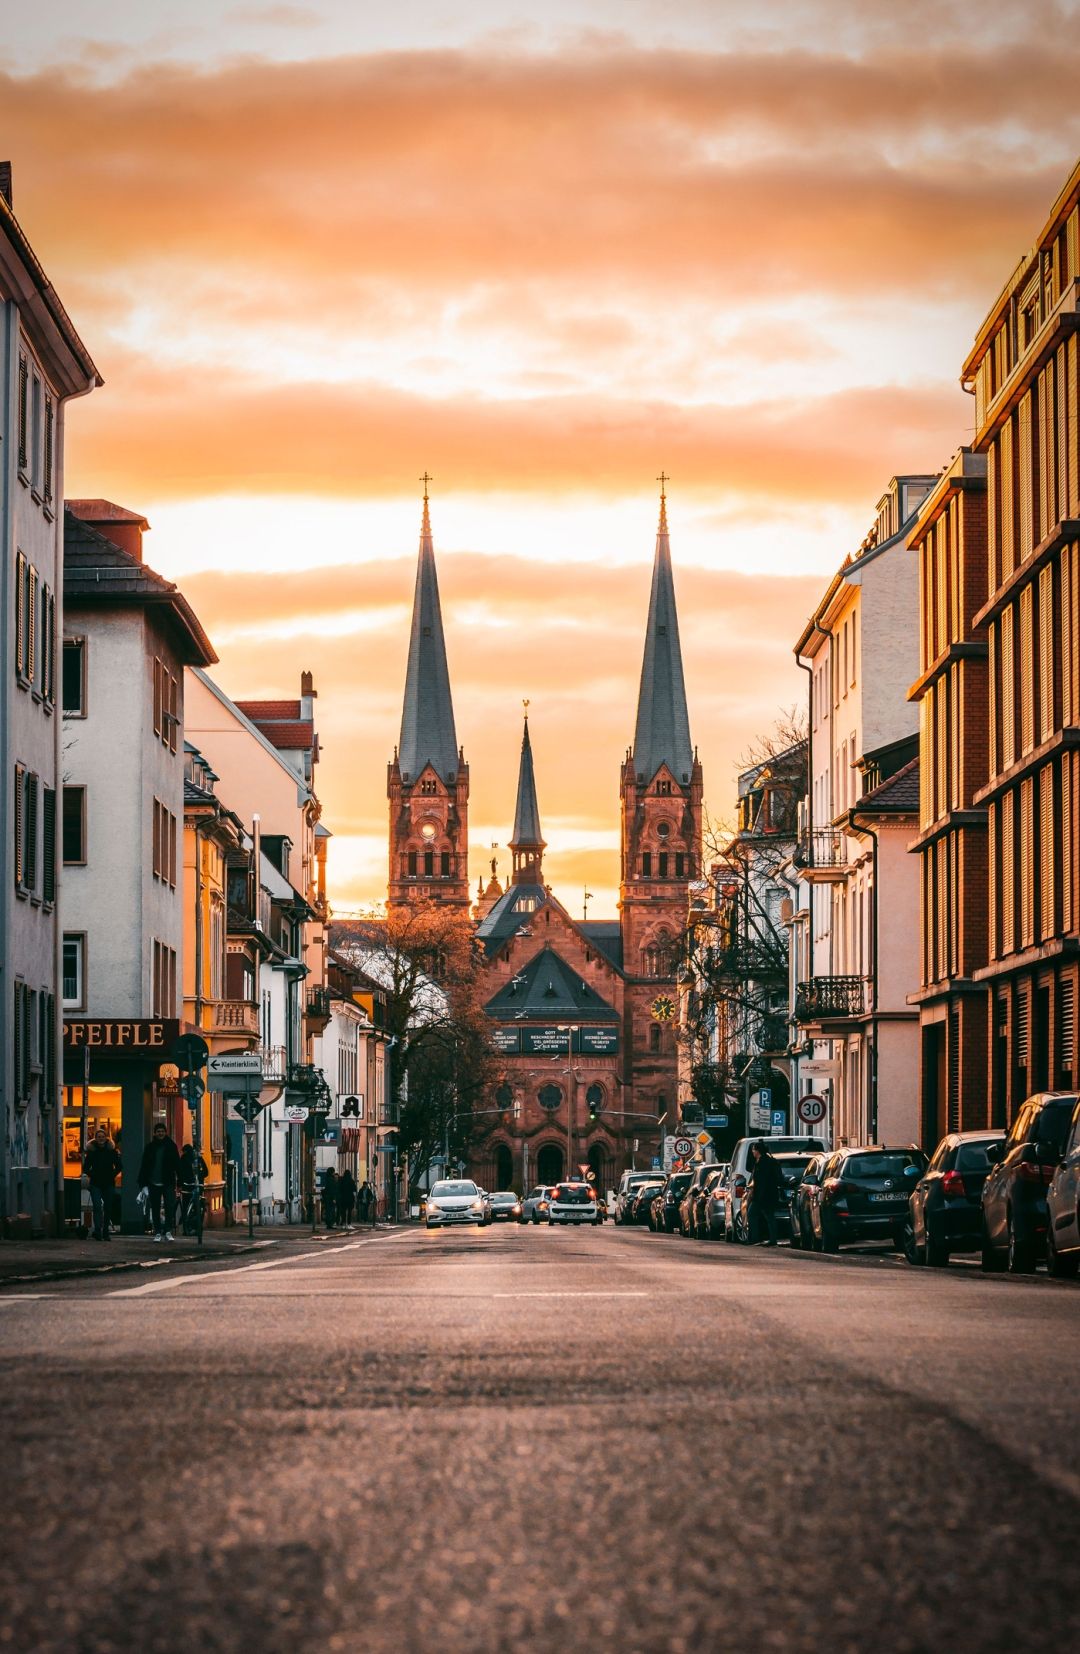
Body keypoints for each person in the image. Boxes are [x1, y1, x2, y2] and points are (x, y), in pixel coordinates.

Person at [137, 1121, 182, 1240]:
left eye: (162, 1131)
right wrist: (142, 1183)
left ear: (165, 1132)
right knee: (155, 1207)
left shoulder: (171, 1146)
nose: (160, 1133)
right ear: (155, 1133)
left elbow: (177, 1163)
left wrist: (180, 1181)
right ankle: (157, 1231)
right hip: (153, 1181)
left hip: (168, 1181)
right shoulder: (150, 1147)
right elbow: (145, 1165)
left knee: (169, 1206)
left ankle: (167, 1230)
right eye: (158, 1132)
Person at [83, 1128, 122, 1241]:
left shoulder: (112, 1151)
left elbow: (119, 1166)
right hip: (95, 1184)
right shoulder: (92, 1152)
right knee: (97, 1207)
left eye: (103, 1137)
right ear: (95, 1138)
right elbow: (85, 1168)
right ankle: (98, 1231)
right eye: (99, 1137)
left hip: (109, 1183)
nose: (101, 1139)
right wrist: (93, 1175)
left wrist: (112, 1175)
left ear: (106, 1138)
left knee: (108, 1208)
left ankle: (106, 1231)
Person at [747, 1140, 783, 1246]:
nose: (752, 1152)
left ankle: (755, 1238)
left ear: (758, 1151)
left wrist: (759, 1195)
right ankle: (770, 1239)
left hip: (763, 1195)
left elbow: (763, 1181)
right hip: (767, 1194)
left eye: (753, 1150)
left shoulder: (763, 1162)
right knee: (769, 1217)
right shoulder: (765, 1160)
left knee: (752, 1214)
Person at [179, 1143, 209, 1235]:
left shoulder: (184, 1158)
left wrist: (180, 1183)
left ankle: (186, 1228)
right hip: (198, 1186)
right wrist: (200, 1179)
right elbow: (206, 1172)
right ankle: (197, 1227)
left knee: (185, 1206)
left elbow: (180, 1172)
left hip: (187, 1186)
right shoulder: (198, 1158)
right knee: (197, 1208)